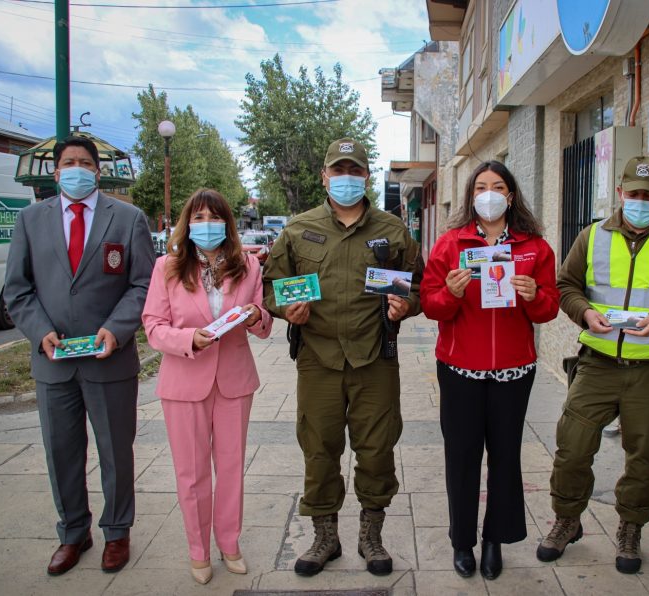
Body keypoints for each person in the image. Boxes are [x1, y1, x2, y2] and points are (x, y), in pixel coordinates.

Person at [262, 138, 422, 577]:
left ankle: (371, 535)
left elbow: (419, 285)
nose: (346, 178)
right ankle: (324, 537)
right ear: (325, 176)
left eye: (354, 171)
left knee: (376, 450)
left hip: (376, 358)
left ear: (366, 177)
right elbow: (271, 287)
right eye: (338, 170)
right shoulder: (298, 229)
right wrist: (284, 307)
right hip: (318, 359)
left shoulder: (392, 230)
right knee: (319, 448)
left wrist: (407, 304)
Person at [538, 156, 649, 574]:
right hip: (598, 363)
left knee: (644, 456)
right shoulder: (591, 236)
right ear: (620, 193)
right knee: (572, 447)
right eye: (633, 194)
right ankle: (567, 520)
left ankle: (631, 528)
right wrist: (584, 313)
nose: (640, 201)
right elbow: (566, 285)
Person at [3, 135, 155, 575]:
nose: (77, 169)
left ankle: (117, 531)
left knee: (115, 453)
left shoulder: (127, 219)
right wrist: (41, 331)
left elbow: (142, 284)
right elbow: (18, 288)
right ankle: (73, 533)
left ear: (96, 170)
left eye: (85, 163)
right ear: (55, 172)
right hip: (52, 362)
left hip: (109, 359)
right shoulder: (31, 220)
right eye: (68, 162)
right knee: (61, 451)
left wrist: (116, 328)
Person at [420, 161, 559, 580]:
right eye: (481, 187)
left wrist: (534, 294)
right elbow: (430, 305)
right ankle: (463, 541)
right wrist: (451, 292)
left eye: (498, 186)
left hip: (514, 372)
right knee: (461, 457)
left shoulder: (535, 247)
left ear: (511, 195)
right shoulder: (450, 244)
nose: (489, 193)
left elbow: (549, 308)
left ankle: (495, 539)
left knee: (505, 457)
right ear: (471, 196)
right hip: (461, 369)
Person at [142, 189, 272, 584]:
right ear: (187, 224)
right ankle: (198, 551)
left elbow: (264, 325)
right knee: (191, 472)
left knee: (231, 468)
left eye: (214, 217)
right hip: (184, 382)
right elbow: (152, 326)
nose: (206, 225)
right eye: (197, 217)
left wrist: (256, 315)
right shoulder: (167, 266)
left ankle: (229, 543)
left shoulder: (248, 266)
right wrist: (188, 340)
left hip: (234, 381)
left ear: (228, 224)